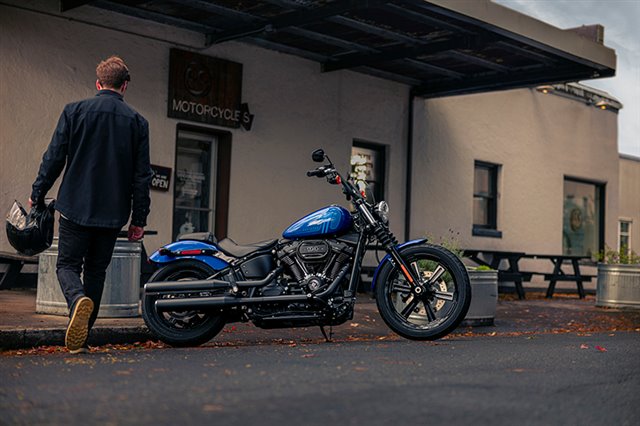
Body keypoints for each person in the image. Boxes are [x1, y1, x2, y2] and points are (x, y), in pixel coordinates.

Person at [30, 56, 153, 353]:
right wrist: (139, 219)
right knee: (96, 272)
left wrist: (38, 191)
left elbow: (54, 157)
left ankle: (76, 301)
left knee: (67, 265)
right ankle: (82, 338)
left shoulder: (74, 111)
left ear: (98, 83)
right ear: (124, 86)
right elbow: (142, 176)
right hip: (112, 213)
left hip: (74, 205)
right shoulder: (138, 122)